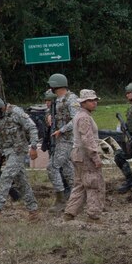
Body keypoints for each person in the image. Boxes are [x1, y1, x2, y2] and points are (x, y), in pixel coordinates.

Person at [0, 94, 40, 223]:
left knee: (5, 177)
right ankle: (33, 212)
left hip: (18, 151)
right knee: (22, 183)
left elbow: (32, 127)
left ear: (0, 107)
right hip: (7, 152)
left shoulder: (16, 112)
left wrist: (33, 147)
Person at [63, 90, 105, 222]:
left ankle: (70, 213)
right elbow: (87, 139)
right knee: (93, 183)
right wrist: (95, 156)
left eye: (95, 100)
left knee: (80, 184)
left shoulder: (80, 115)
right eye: (91, 101)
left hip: (78, 153)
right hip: (85, 154)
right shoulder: (84, 117)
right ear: (83, 103)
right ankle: (93, 215)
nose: (94, 103)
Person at [47, 73, 79, 208]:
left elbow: (76, 119)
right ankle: (76, 197)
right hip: (60, 139)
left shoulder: (71, 99)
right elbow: (54, 113)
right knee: (67, 168)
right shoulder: (58, 100)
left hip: (67, 139)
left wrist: (62, 130)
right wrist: (48, 116)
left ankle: (60, 199)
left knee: (52, 167)